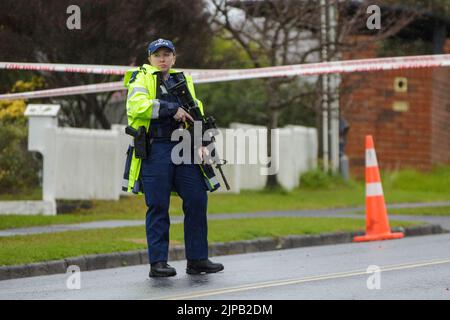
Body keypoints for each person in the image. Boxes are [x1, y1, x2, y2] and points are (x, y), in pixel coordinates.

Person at [122, 38, 224, 277]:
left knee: (197, 199)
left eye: (167, 54)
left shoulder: (183, 79)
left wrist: (203, 143)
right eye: (157, 55)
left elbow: (194, 111)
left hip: (185, 147)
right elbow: (136, 107)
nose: (162, 59)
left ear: (174, 57)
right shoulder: (140, 78)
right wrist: (171, 109)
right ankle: (158, 263)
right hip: (156, 148)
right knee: (158, 205)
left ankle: (197, 260)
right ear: (150, 58)